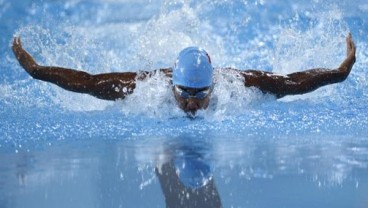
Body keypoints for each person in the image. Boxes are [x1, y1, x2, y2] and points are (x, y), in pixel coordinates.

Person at [12, 33, 356, 117]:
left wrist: (339, 72)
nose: (192, 105)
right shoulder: (144, 86)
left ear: (212, 86)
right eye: (185, 95)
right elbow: (87, 83)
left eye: (200, 95)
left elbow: (292, 83)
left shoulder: (239, 84)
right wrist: (36, 70)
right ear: (173, 85)